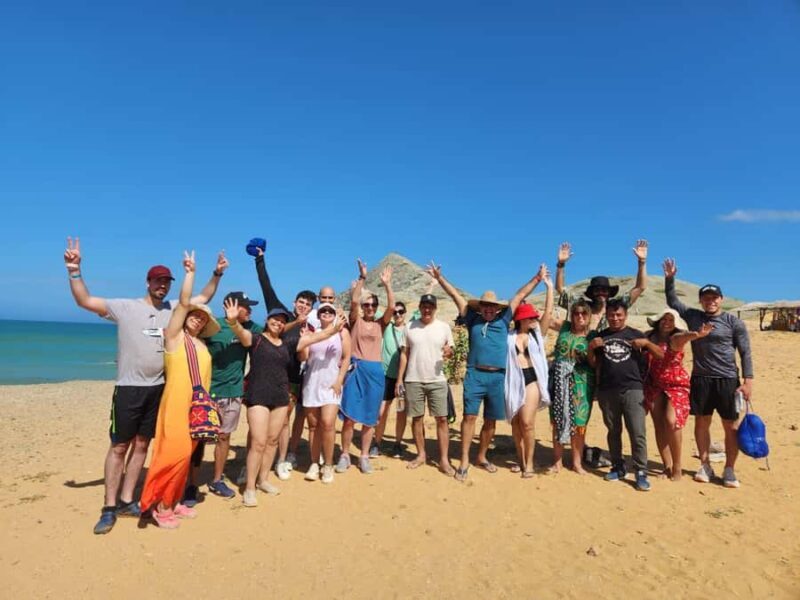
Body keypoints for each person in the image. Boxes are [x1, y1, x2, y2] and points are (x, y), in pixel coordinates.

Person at [63, 237, 227, 534]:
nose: (162, 285)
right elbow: (85, 301)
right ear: (148, 282)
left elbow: (202, 297)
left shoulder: (174, 309)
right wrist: (74, 270)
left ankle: (128, 500)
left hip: (160, 388)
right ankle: (109, 507)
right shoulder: (125, 307)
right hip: (129, 386)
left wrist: (216, 273)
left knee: (142, 445)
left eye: (166, 281)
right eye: (158, 280)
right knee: (119, 446)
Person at [428, 261, 549, 482]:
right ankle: (464, 460)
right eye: (485, 306)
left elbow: (520, 295)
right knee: (469, 417)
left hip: (498, 377)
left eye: (492, 306)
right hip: (475, 375)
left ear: (497, 308)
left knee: (491, 421)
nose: (489, 309)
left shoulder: (504, 319)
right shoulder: (472, 319)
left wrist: (537, 278)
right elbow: (456, 296)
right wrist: (440, 278)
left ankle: (481, 456)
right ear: (480, 307)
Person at [224, 299, 343, 507]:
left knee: (272, 441)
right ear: (267, 320)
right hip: (258, 396)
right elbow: (241, 334)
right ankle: (250, 487)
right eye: (275, 319)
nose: (278, 323)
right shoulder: (256, 339)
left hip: (280, 397)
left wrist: (334, 329)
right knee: (258, 442)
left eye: (282, 321)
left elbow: (315, 337)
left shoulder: (288, 343)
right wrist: (233, 322)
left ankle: (263, 480)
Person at [139, 251, 221, 528]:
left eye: (202, 318)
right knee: (174, 453)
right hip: (175, 403)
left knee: (187, 456)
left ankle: (173, 501)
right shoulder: (174, 336)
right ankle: (160, 507)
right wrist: (190, 273)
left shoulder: (202, 345)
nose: (197, 319)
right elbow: (185, 302)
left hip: (196, 407)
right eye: (194, 316)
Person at [663, 259, 754, 488]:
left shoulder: (733, 322)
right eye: (706, 298)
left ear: (721, 299)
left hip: (728, 380)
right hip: (701, 379)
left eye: (714, 298)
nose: (710, 301)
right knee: (702, 422)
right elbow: (672, 301)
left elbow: (745, 352)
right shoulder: (694, 317)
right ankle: (705, 465)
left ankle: (729, 469)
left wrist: (748, 381)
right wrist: (670, 278)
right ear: (701, 301)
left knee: (730, 426)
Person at [254, 247, 317, 480]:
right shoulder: (282, 317)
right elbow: (266, 286)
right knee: (262, 422)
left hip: (293, 380)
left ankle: (281, 460)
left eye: (307, 304)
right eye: (301, 302)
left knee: (285, 420)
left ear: (311, 309)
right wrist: (260, 259)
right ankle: (255, 461)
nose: (303, 306)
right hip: (267, 378)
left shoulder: (311, 328)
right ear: (294, 302)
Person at [588, 299, 664, 492]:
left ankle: (641, 471)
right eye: (611, 315)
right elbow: (593, 363)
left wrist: (647, 343)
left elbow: (660, 355)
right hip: (607, 390)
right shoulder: (601, 336)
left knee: (637, 432)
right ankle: (618, 466)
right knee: (613, 431)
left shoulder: (636, 334)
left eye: (619, 315)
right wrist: (591, 348)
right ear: (606, 316)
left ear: (625, 315)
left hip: (633, 389)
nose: (615, 318)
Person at [196, 291, 262, 500]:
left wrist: (298, 322)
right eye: (246, 306)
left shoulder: (250, 327)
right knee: (199, 438)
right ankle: (190, 483)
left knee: (224, 437)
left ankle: (217, 480)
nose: (250, 310)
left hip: (234, 392)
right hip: (209, 391)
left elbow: (275, 331)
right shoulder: (212, 327)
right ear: (230, 306)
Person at [337, 260, 395, 474]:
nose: (370, 308)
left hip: (376, 373)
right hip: (356, 371)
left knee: (370, 419)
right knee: (350, 418)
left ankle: (363, 456)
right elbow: (353, 301)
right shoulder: (356, 321)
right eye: (367, 305)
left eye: (373, 305)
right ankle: (344, 455)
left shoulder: (381, 324)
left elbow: (391, 307)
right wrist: (362, 277)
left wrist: (387, 284)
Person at [644, 308, 713, 481]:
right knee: (659, 425)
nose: (667, 323)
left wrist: (696, 334)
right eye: (664, 319)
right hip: (654, 384)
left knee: (671, 421)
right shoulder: (649, 337)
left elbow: (684, 337)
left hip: (676, 385)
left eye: (671, 320)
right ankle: (666, 465)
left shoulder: (675, 338)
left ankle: (677, 465)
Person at [395, 294, 455, 475]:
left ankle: (444, 460)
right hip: (413, 379)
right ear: (420, 307)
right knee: (417, 418)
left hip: (437, 380)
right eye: (424, 306)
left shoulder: (444, 327)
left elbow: (450, 350)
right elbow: (404, 354)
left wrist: (449, 352)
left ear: (435, 308)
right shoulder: (410, 327)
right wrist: (399, 379)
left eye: (430, 306)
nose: (427, 310)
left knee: (442, 419)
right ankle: (421, 455)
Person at [504, 268, 554, 478]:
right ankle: (521, 459)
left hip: (531, 379)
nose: (533, 319)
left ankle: (530, 464)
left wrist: (549, 288)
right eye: (530, 317)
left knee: (527, 422)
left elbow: (548, 313)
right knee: (516, 425)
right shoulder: (508, 336)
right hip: (513, 381)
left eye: (533, 317)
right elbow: (517, 297)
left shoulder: (537, 336)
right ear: (521, 319)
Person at [298, 303, 351, 484]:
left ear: (334, 315)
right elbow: (303, 357)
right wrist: (304, 341)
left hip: (331, 385)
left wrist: (339, 380)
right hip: (312, 383)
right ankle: (314, 463)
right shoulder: (311, 333)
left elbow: (346, 357)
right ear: (318, 315)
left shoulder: (342, 332)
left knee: (328, 423)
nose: (326, 313)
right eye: (323, 311)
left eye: (330, 311)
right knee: (313, 426)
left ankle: (328, 464)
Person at [555, 240, 649, 331]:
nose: (601, 293)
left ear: (609, 292)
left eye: (604, 290)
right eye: (597, 290)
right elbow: (560, 289)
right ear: (592, 293)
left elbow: (640, 287)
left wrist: (642, 261)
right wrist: (561, 264)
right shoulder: (582, 306)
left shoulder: (617, 307)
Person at [546, 300, 594, 474]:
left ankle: (577, 463)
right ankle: (557, 462)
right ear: (571, 316)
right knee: (558, 420)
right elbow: (546, 318)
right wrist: (549, 289)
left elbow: (595, 363)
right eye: (576, 313)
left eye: (584, 313)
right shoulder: (565, 328)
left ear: (589, 316)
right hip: (559, 382)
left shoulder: (592, 336)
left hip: (582, 383)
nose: (580, 316)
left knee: (579, 424)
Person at [374, 300, 409, 458]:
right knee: (382, 411)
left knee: (401, 411)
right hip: (386, 376)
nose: (398, 315)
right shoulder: (387, 327)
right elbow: (379, 309)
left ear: (405, 313)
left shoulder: (410, 329)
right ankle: (377, 442)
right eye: (395, 312)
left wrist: (431, 287)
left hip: (402, 378)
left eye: (401, 312)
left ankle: (397, 444)